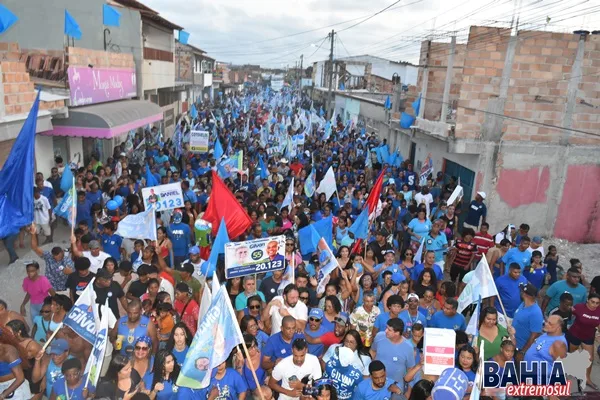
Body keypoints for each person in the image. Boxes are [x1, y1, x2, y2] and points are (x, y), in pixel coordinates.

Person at [370, 318, 420, 390]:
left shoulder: (408, 347)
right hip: (376, 382)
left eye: (389, 330)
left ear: (397, 333)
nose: (385, 331)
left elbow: (410, 369)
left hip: (395, 386)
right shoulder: (379, 336)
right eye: (386, 328)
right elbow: (372, 352)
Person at [566, 293, 600, 389]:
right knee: (571, 355)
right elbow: (569, 313)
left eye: (597, 303)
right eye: (592, 302)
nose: (594, 305)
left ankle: (587, 379)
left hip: (588, 336)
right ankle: (568, 374)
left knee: (590, 359)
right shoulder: (579, 307)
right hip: (575, 335)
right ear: (587, 300)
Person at [523, 315, 568, 383]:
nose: (545, 324)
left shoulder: (558, 344)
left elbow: (561, 369)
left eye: (550, 323)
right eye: (546, 321)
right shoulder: (547, 334)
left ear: (558, 327)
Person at [512, 284, 544, 359]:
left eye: (523, 291)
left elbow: (534, 336)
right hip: (514, 344)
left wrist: (522, 352)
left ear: (527, 295)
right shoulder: (523, 304)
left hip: (522, 349)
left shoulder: (536, 313)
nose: (521, 292)